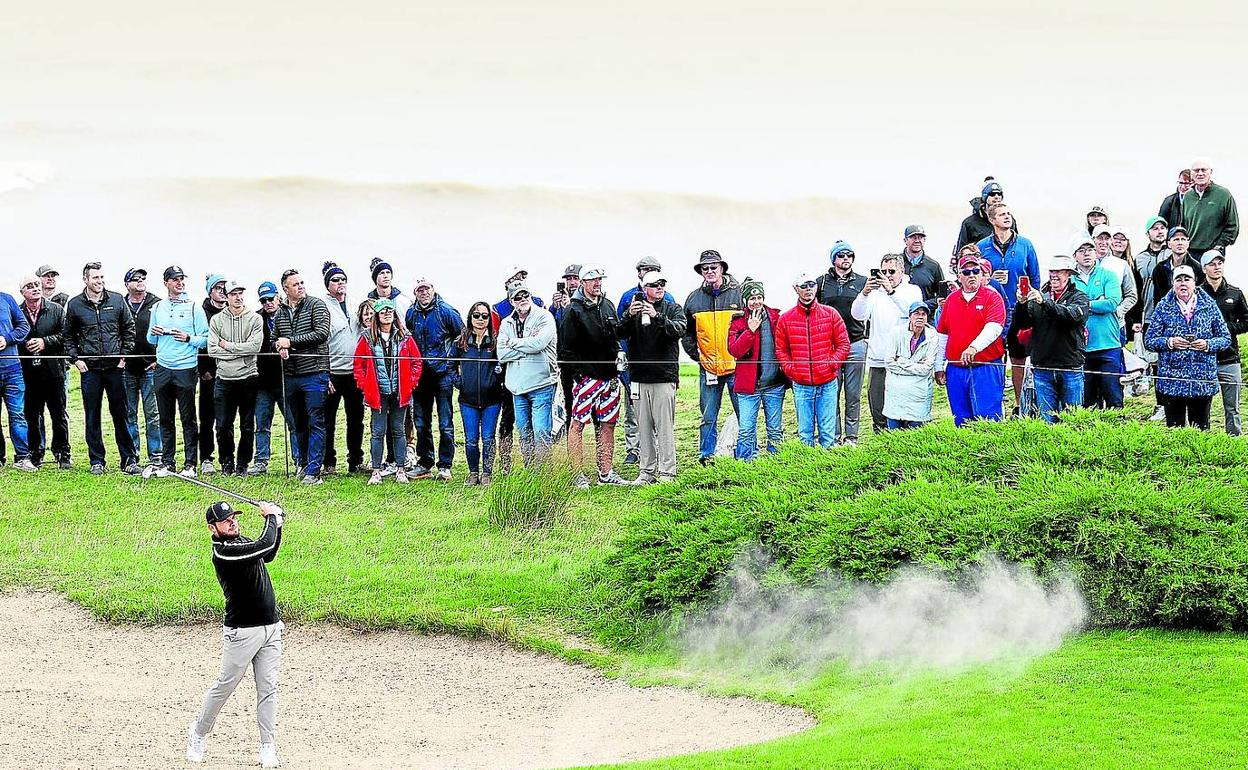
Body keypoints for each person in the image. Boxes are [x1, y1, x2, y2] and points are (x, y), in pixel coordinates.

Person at [187, 499, 286, 769]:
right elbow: (263, 545)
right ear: (213, 528)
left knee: (268, 689)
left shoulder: (240, 541)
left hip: (271, 627)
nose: (232, 522)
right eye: (225, 520)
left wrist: (279, 520)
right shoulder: (224, 553)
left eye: (233, 517)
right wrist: (270, 517)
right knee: (225, 686)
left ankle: (267, 747)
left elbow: (268, 553)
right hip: (242, 633)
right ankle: (198, 733)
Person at [64, 262, 140, 474]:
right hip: (90, 370)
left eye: (102, 277)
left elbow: (129, 329)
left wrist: (123, 357)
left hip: (116, 368)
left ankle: (129, 460)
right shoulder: (75, 304)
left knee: (121, 414)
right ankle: (96, 460)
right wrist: (76, 360)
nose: (100, 281)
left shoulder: (116, 300)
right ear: (85, 280)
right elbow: (68, 336)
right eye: (95, 278)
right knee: (92, 416)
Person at [558, 265, 626, 487]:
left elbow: (614, 336)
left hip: (610, 376)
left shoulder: (608, 305)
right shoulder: (573, 310)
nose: (598, 283)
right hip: (586, 378)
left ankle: (606, 473)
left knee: (608, 423)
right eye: (593, 280)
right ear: (583, 282)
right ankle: (577, 474)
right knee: (578, 423)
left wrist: (618, 355)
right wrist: (577, 376)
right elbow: (565, 349)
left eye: (600, 279)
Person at [617, 269, 685, 484]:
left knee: (664, 427)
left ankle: (667, 472)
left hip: (664, 378)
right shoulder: (634, 310)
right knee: (643, 427)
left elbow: (679, 330)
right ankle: (646, 472)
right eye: (655, 285)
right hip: (638, 378)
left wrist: (657, 317)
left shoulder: (672, 308)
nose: (659, 288)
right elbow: (618, 333)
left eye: (662, 283)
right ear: (644, 289)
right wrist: (629, 315)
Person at [1145, 265, 1230, 429]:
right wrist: (1170, 342)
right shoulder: (1163, 307)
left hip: (1202, 380)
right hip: (1172, 381)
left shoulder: (1209, 305)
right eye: (1178, 279)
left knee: (1201, 430)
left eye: (1187, 279)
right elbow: (1149, 340)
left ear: (1195, 282)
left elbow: (1225, 338)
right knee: (1174, 431)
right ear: (1172, 283)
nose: (1183, 283)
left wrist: (1207, 344)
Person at [977, 202, 1040, 415]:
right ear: (991, 220)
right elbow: (976, 277)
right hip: (991, 309)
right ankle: (995, 405)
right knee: (994, 357)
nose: (1007, 217)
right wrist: (991, 278)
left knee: (1019, 358)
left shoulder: (1025, 244)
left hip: (1019, 309)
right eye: (1002, 214)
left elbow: (1035, 277)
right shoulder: (982, 247)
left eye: (1009, 214)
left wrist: (1031, 301)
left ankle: (1019, 405)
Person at [775, 272, 851, 447]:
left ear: (816, 287)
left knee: (827, 433)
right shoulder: (786, 319)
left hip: (827, 382)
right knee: (805, 433)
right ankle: (807, 470)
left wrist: (832, 364)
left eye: (811, 285)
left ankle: (827, 469)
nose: (808, 289)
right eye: (803, 286)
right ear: (796, 289)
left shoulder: (831, 314)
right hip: (801, 385)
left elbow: (843, 344)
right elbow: (781, 350)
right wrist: (792, 370)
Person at [682, 250, 743, 465]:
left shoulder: (739, 294)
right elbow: (687, 333)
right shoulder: (693, 299)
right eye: (705, 268)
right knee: (708, 417)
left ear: (722, 269)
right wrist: (698, 356)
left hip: (737, 368)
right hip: (708, 369)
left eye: (713, 267)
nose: (709, 271)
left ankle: (745, 454)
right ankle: (706, 456)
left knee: (743, 414)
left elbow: (749, 329)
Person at [1013, 256, 1090, 423]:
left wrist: (1044, 303)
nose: (1054, 275)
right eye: (1052, 271)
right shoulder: (1038, 297)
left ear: (1069, 274)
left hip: (1070, 367)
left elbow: (1071, 316)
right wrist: (1021, 304)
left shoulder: (1080, 297)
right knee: (1047, 422)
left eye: (1059, 271)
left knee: (1073, 422)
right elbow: (1022, 324)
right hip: (1042, 368)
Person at [851, 254, 924, 432]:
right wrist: (865, 293)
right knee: (879, 412)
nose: (887, 275)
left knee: (906, 414)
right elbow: (858, 315)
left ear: (902, 271)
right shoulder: (875, 294)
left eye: (891, 271)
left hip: (905, 361)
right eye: (883, 271)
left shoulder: (912, 290)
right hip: (879, 360)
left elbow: (911, 313)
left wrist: (891, 291)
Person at [148, 265, 209, 477]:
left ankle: (190, 463)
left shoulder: (194, 307)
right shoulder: (157, 308)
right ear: (166, 283)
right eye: (175, 279)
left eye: (182, 279)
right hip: (163, 367)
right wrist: (155, 333)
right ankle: (168, 462)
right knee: (165, 418)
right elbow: (150, 339)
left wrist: (188, 338)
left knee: (188, 418)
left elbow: (205, 339)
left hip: (186, 368)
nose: (179, 282)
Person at [354, 298, 423, 485]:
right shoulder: (367, 338)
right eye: (382, 311)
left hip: (399, 393)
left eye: (389, 310)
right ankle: (376, 470)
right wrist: (364, 386)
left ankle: (400, 469)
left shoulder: (405, 337)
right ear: (377, 314)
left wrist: (411, 383)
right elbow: (359, 365)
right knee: (378, 432)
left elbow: (416, 362)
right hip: (377, 394)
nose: (386, 313)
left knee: (399, 431)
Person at [273, 269, 331, 485]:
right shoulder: (281, 312)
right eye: (295, 284)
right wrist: (279, 345)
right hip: (291, 374)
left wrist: (291, 341)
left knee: (316, 420)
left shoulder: (316, 305)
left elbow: (321, 333)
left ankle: (314, 470)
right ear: (286, 289)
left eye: (302, 282)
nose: (301, 286)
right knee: (298, 423)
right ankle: (303, 463)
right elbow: (274, 338)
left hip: (314, 373)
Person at [935, 254, 1007, 425]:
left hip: (986, 366)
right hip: (956, 369)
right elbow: (943, 334)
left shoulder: (992, 296)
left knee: (988, 419)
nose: (972, 275)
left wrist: (974, 347)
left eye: (976, 271)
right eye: (966, 272)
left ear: (982, 274)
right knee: (961, 419)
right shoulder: (951, 300)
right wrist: (938, 365)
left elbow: (995, 327)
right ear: (959, 276)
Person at [406, 277, 463, 480]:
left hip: (443, 375)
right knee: (421, 422)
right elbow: (408, 340)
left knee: (446, 422)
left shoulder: (446, 311)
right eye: (419, 290)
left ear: (433, 289)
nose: (424, 293)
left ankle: (445, 465)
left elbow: (461, 337)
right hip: (421, 376)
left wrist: (451, 365)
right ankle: (425, 462)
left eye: (427, 288)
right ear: (415, 292)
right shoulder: (411, 313)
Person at [496, 283, 559, 465]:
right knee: (524, 432)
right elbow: (502, 354)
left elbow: (539, 344)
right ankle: (530, 469)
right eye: (518, 297)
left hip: (542, 384)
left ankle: (544, 471)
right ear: (511, 301)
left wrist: (513, 343)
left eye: (526, 295)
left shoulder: (544, 317)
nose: (523, 299)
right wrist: (527, 345)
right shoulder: (506, 322)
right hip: (516, 387)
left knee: (541, 431)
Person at [208, 280, 264, 476]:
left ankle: (243, 464)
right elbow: (212, 349)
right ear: (227, 296)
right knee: (223, 424)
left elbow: (255, 347)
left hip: (248, 377)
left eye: (241, 293)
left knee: (247, 424)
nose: (238, 297)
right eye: (233, 294)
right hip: (223, 379)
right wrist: (239, 349)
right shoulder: (216, 320)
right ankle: (226, 462)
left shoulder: (255, 319)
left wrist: (228, 346)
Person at [815, 240, 867, 445]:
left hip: (855, 342)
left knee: (853, 394)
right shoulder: (820, 282)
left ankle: (851, 437)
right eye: (841, 255)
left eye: (849, 255)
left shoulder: (863, 281)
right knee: (831, 394)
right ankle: (833, 435)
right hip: (831, 346)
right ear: (833, 258)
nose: (846, 259)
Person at [494, 267, 545, 470]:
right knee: (508, 418)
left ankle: (534, 464)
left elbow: (542, 341)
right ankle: (506, 463)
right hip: (511, 373)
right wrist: (525, 348)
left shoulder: (539, 304)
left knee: (538, 423)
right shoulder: (497, 309)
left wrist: (520, 346)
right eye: (515, 277)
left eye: (523, 277)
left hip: (536, 372)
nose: (519, 280)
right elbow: (501, 348)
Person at [728, 279, 784, 461]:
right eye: (751, 298)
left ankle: (777, 463)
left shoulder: (776, 317)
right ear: (745, 301)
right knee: (746, 429)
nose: (756, 302)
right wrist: (750, 331)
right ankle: (746, 463)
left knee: (775, 429)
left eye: (759, 297)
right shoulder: (737, 322)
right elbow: (734, 350)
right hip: (748, 388)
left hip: (774, 386)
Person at [18, 276, 70, 469]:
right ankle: (35, 452)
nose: (35, 289)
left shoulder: (55, 309)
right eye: (29, 286)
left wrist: (44, 342)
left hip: (54, 371)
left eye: (37, 285)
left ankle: (62, 452)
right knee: (32, 414)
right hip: (29, 372)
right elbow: (15, 335)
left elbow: (66, 335)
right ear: (22, 291)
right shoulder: (18, 311)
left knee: (58, 414)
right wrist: (26, 345)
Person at [320, 262, 365, 475]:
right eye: (335, 280)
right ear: (328, 284)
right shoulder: (322, 307)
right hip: (333, 372)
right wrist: (324, 373)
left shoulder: (355, 304)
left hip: (354, 372)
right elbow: (320, 343)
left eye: (343, 280)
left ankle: (355, 461)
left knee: (355, 419)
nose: (340, 284)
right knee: (328, 420)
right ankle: (328, 462)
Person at [1070, 236, 1124, 409]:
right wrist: (1096, 302)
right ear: (1074, 255)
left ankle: (1119, 432)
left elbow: (1112, 303)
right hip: (1081, 347)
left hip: (1108, 344)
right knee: (1088, 400)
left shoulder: (1108, 275)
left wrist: (1082, 306)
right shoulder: (1070, 280)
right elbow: (1066, 308)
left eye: (1090, 250)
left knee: (1114, 396)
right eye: (1082, 250)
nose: (1087, 254)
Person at [454, 301, 503, 486]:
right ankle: (473, 472)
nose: (480, 319)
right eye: (476, 315)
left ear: (489, 319)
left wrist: (497, 383)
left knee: (489, 438)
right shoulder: (461, 342)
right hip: (468, 400)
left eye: (484, 316)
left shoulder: (496, 342)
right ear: (470, 317)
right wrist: (460, 383)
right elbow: (451, 365)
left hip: (492, 400)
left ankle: (487, 473)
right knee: (471, 439)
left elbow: (504, 366)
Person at [1199, 251, 1248, 435]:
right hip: (1203, 359)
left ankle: (1234, 441)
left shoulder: (1235, 293)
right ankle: (1202, 440)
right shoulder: (1197, 294)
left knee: (1233, 407)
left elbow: (1246, 321)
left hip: (1230, 358)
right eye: (1212, 264)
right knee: (1202, 407)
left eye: (1220, 263)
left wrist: (1224, 328)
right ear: (1204, 268)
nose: (1217, 266)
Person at [121, 267, 163, 472]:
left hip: (150, 366)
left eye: (143, 278)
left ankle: (156, 456)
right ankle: (132, 455)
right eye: (135, 279)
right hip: (127, 367)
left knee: (152, 413)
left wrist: (159, 358)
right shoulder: (120, 304)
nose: (140, 281)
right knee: (129, 413)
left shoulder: (156, 303)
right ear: (127, 284)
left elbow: (165, 332)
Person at [882, 302, 942, 429]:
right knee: (894, 438)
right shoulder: (896, 332)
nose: (920, 317)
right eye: (916, 313)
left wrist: (902, 361)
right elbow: (888, 362)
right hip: (895, 394)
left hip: (919, 396)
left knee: (916, 439)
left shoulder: (933, 337)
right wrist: (915, 365)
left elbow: (926, 369)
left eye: (923, 314)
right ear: (910, 316)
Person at [249, 282, 284, 475]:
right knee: (262, 423)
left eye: (271, 298)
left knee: (294, 423)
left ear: (278, 296)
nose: (268, 303)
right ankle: (261, 461)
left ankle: (298, 459)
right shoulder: (256, 319)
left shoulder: (288, 315)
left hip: (286, 379)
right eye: (263, 300)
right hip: (262, 381)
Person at [197, 275, 228, 475]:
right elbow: (199, 341)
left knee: (226, 420)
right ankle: (206, 458)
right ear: (210, 292)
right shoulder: (201, 313)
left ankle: (227, 459)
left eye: (224, 287)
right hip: (208, 374)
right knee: (207, 419)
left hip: (229, 373)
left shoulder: (232, 312)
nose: (222, 291)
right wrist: (203, 371)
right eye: (217, 288)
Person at [0, 286, 32, 471]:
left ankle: (22, 457)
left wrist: (7, 338)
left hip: (13, 370)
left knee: (18, 415)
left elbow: (23, 327)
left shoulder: (6, 299)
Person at [1183, 157, 1239, 255]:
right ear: (1191, 174)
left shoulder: (1223, 194)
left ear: (1210, 172)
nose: (1200, 173)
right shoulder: (1187, 196)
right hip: (1190, 253)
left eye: (1204, 170)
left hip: (1213, 253)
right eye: (1196, 170)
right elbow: (1184, 225)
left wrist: (1219, 246)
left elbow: (1232, 226)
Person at [1092, 224, 1137, 335]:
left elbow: (1131, 295)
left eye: (1107, 238)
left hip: (1115, 323)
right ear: (1093, 239)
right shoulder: (1084, 263)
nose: (1103, 242)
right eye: (1100, 238)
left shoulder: (1121, 264)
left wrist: (1119, 311)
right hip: (1089, 323)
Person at [954, 181, 1018, 254]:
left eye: (999, 194)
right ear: (985, 197)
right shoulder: (969, 223)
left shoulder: (1009, 220)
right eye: (992, 194)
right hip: (981, 262)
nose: (996, 196)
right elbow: (961, 251)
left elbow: (1016, 244)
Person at [1150, 227, 1204, 308]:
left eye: (1183, 239)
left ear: (1188, 243)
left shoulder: (1197, 268)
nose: (1180, 243)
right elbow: (1157, 298)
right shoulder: (1160, 268)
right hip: (1166, 313)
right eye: (1176, 239)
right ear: (1169, 244)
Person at [900, 225, 946, 312]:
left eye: (920, 237)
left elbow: (942, 295)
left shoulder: (933, 265)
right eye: (913, 237)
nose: (917, 240)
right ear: (905, 240)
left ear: (924, 240)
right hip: (900, 314)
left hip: (925, 316)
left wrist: (924, 305)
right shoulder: (896, 263)